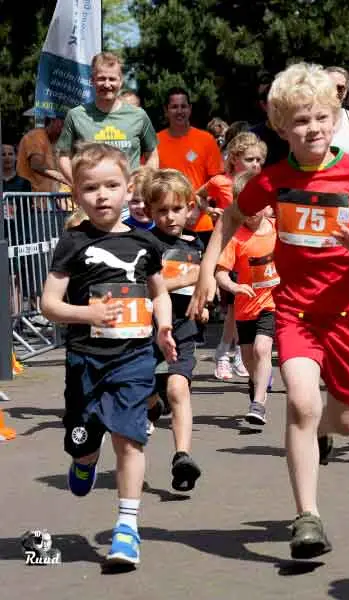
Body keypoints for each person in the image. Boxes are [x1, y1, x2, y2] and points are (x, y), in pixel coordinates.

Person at [188, 62, 349, 559]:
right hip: (296, 314)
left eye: (322, 117)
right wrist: (205, 271)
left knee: (346, 420)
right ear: (283, 127)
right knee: (302, 403)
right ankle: (308, 517)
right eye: (301, 120)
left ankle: (326, 435)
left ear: (336, 118)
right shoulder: (275, 179)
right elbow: (232, 217)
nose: (313, 128)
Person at [40, 143, 177, 566]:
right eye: (91, 188)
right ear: (77, 195)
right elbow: (49, 304)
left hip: (134, 358)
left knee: (130, 439)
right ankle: (85, 460)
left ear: (128, 188)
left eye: (111, 186)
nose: (102, 195)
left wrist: (165, 327)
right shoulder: (73, 242)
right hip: (85, 358)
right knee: (81, 444)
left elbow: (159, 291)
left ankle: (127, 529)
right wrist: (89, 312)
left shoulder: (145, 241)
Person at [142, 168, 204, 492]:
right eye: (162, 210)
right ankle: (153, 406)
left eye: (176, 209)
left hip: (182, 327)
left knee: (178, 389)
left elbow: (204, 284)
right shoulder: (144, 244)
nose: (169, 217)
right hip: (144, 328)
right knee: (143, 388)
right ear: (150, 211)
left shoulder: (196, 244)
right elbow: (145, 286)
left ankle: (182, 456)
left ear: (189, 208)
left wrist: (204, 303)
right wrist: (184, 280)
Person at [197, 132, 267, 381]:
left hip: (256, 247)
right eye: (250, 159)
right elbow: (198, 195)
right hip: (229, 248)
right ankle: (224, 352)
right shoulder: (221, 181)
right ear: (234, 159)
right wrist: (211, 210)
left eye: (260, 160)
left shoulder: (262, 183)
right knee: (237, 305)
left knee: (251, 305)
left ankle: (237, 352)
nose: (256, 165)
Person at [215, 172, 279, 426]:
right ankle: (256, 383)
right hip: (245, 307)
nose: (252, 212)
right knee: (248, 356)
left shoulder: (278, 229)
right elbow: (220, 272)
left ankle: (259, 403)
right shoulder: (236, 237)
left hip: (272, 304)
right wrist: (234, 286)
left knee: (264, 349)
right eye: (245, 205)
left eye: (257, 205)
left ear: (267, 205)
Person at [56, 52, 159, 184]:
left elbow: (153, 156)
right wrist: (79, 185)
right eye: (101, 78)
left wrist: (140, 184)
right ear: (92, 80)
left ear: (120, 82)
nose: (107, 84)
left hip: (130, 200)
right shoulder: (76, 115)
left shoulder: (139, 116)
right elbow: (63, 156)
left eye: (112, 79)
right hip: (91, 199)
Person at [156, 87, 225, 246]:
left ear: (190, 109)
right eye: (174, 107)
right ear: (166, 110)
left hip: (200, 222)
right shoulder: (156, 142)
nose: (179, 111)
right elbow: (151, 182)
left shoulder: (206, 140)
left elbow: (217, 181)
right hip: (166, 223)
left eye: (183, 106)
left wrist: (198, 208)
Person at [16, 117, 68, 193]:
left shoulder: (57, 141)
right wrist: (63, 178)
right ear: (52, 120)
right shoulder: (36, 136)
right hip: (32, 198)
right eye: (63, 121)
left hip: (49, 199)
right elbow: (37, 165)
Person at [251, 81, 291, 165]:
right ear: (264, 105)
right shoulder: (253, 137)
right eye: (275, 105)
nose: (280, 110)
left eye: (285, 104)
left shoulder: (297, 133)